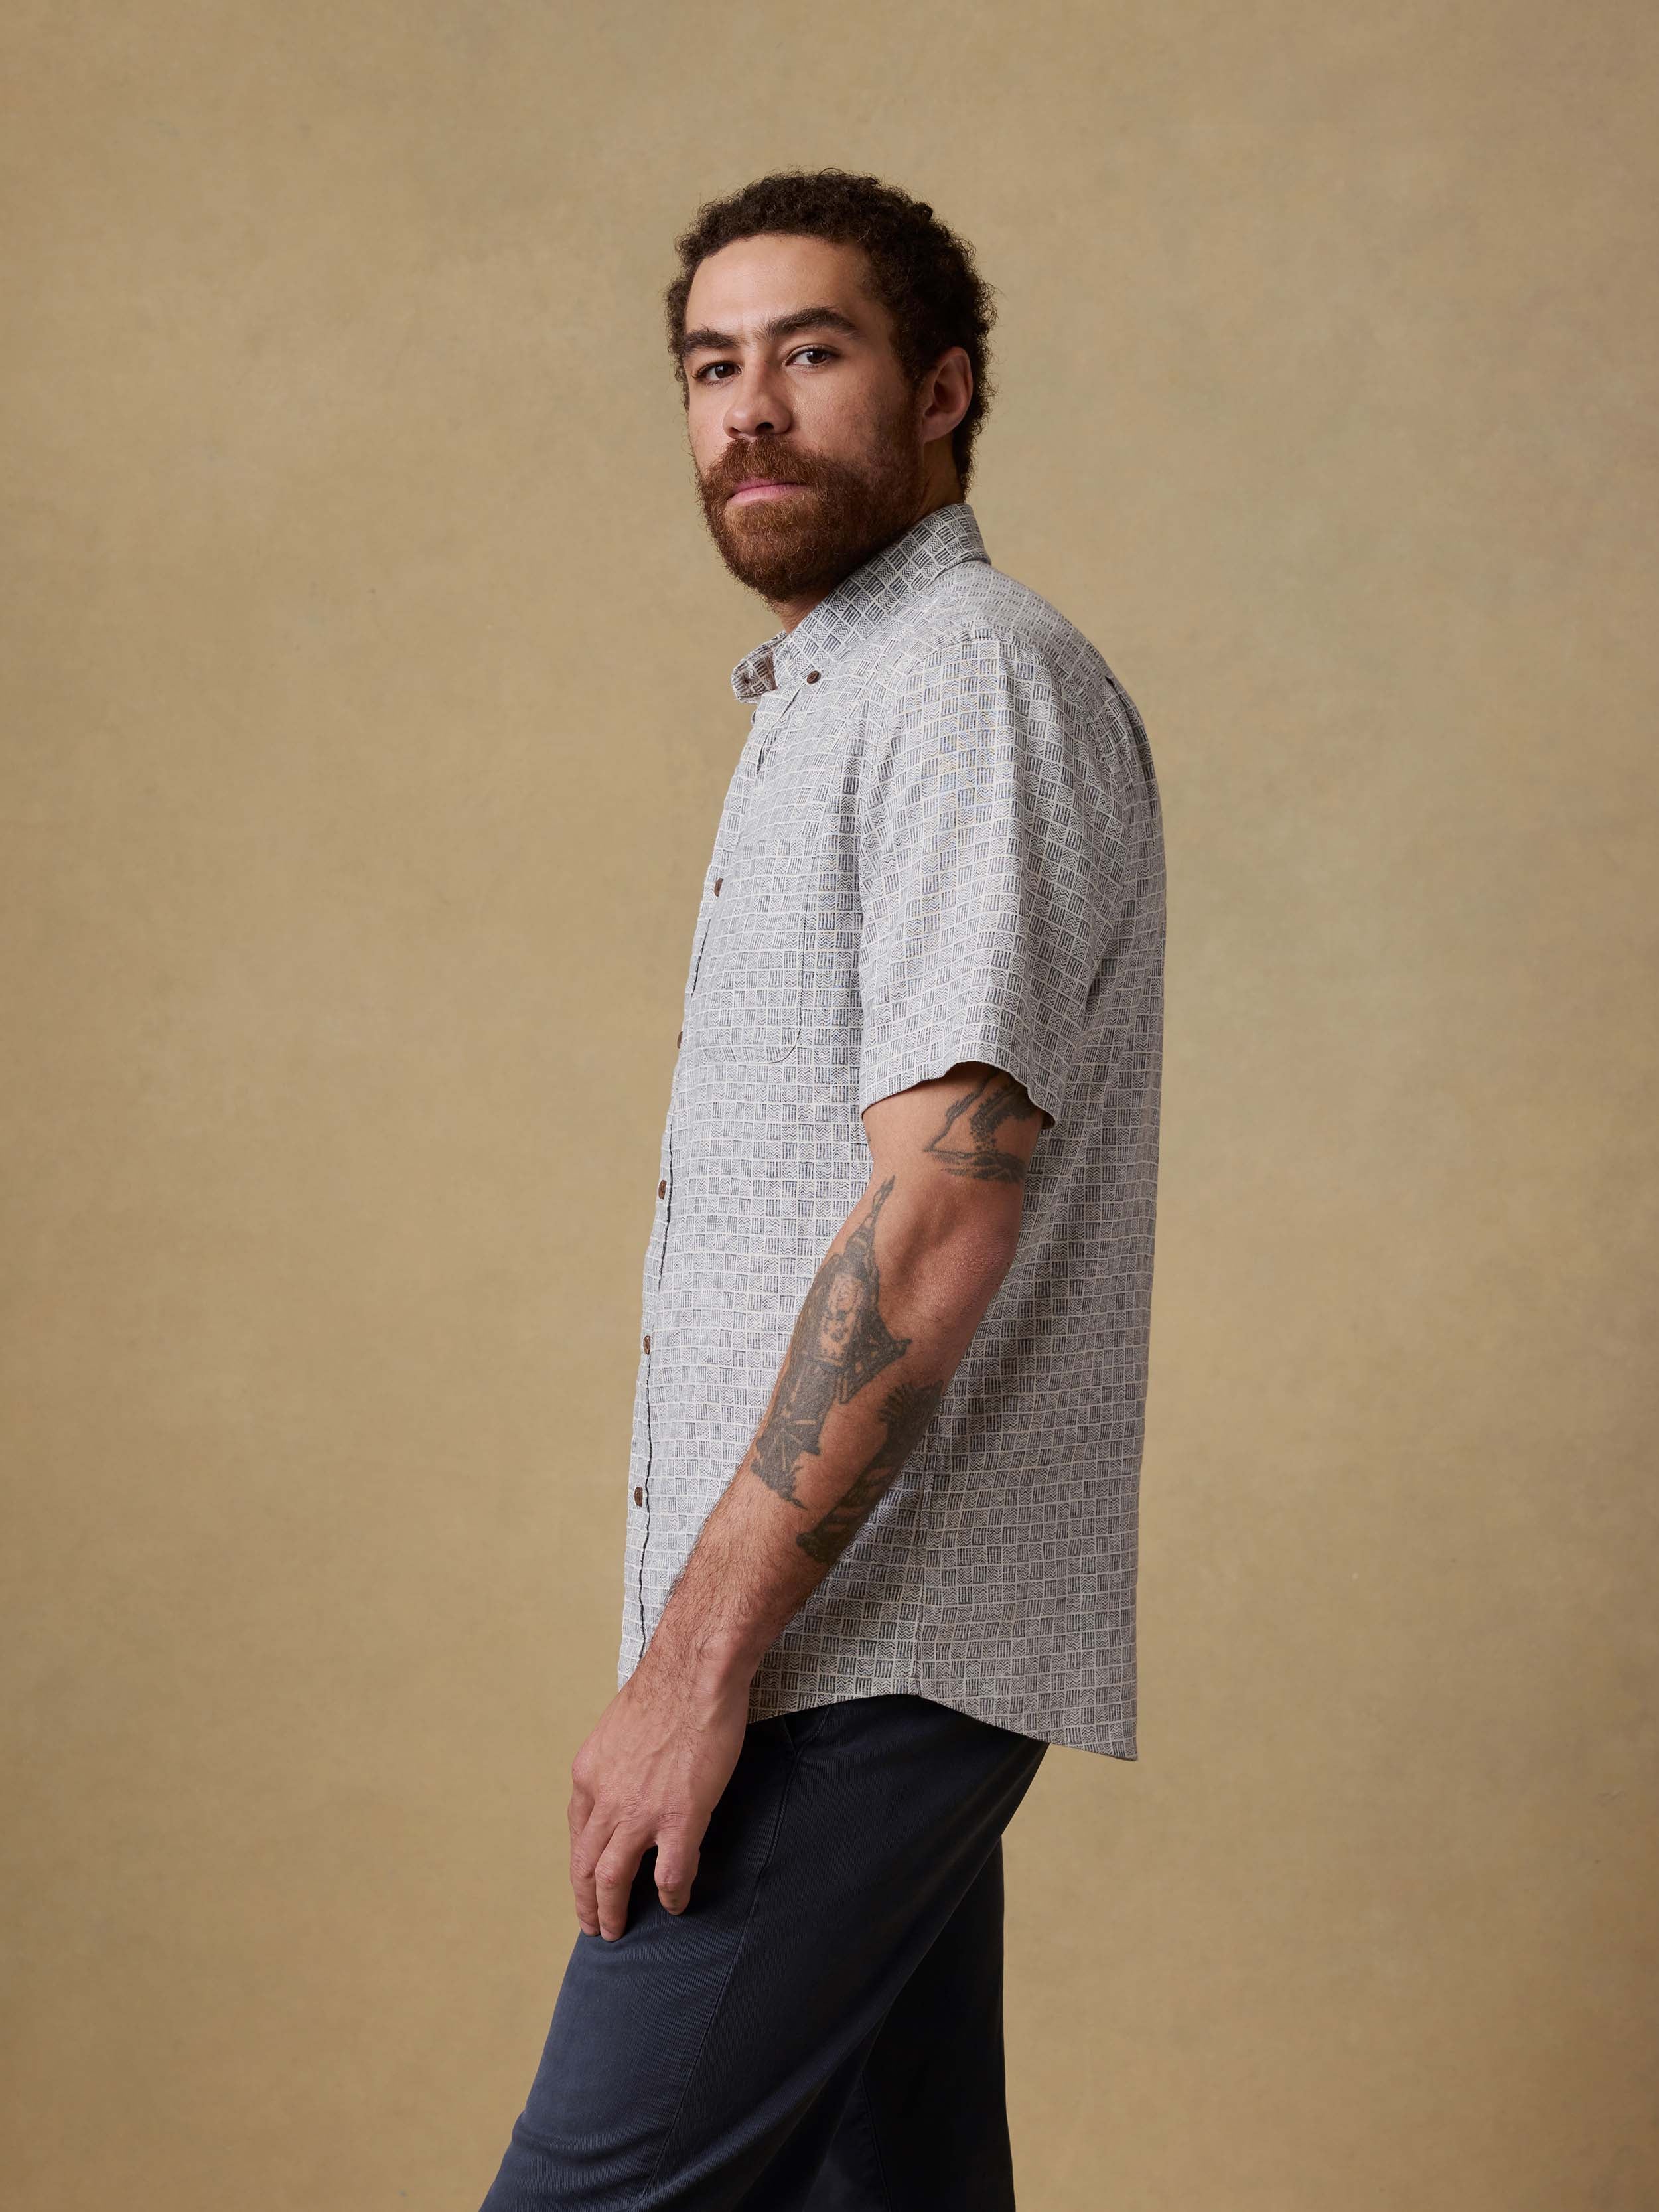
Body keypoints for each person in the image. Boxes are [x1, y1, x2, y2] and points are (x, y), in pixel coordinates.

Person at [478, 167, 1166, 2211]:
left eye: (810, 353)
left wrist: (695, 1674)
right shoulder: (840, 695)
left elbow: (940, 1215)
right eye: (712, 367)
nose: (749, 410)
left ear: (941, 392)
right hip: (853, 1641)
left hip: (848, 1652)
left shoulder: (964, 681)